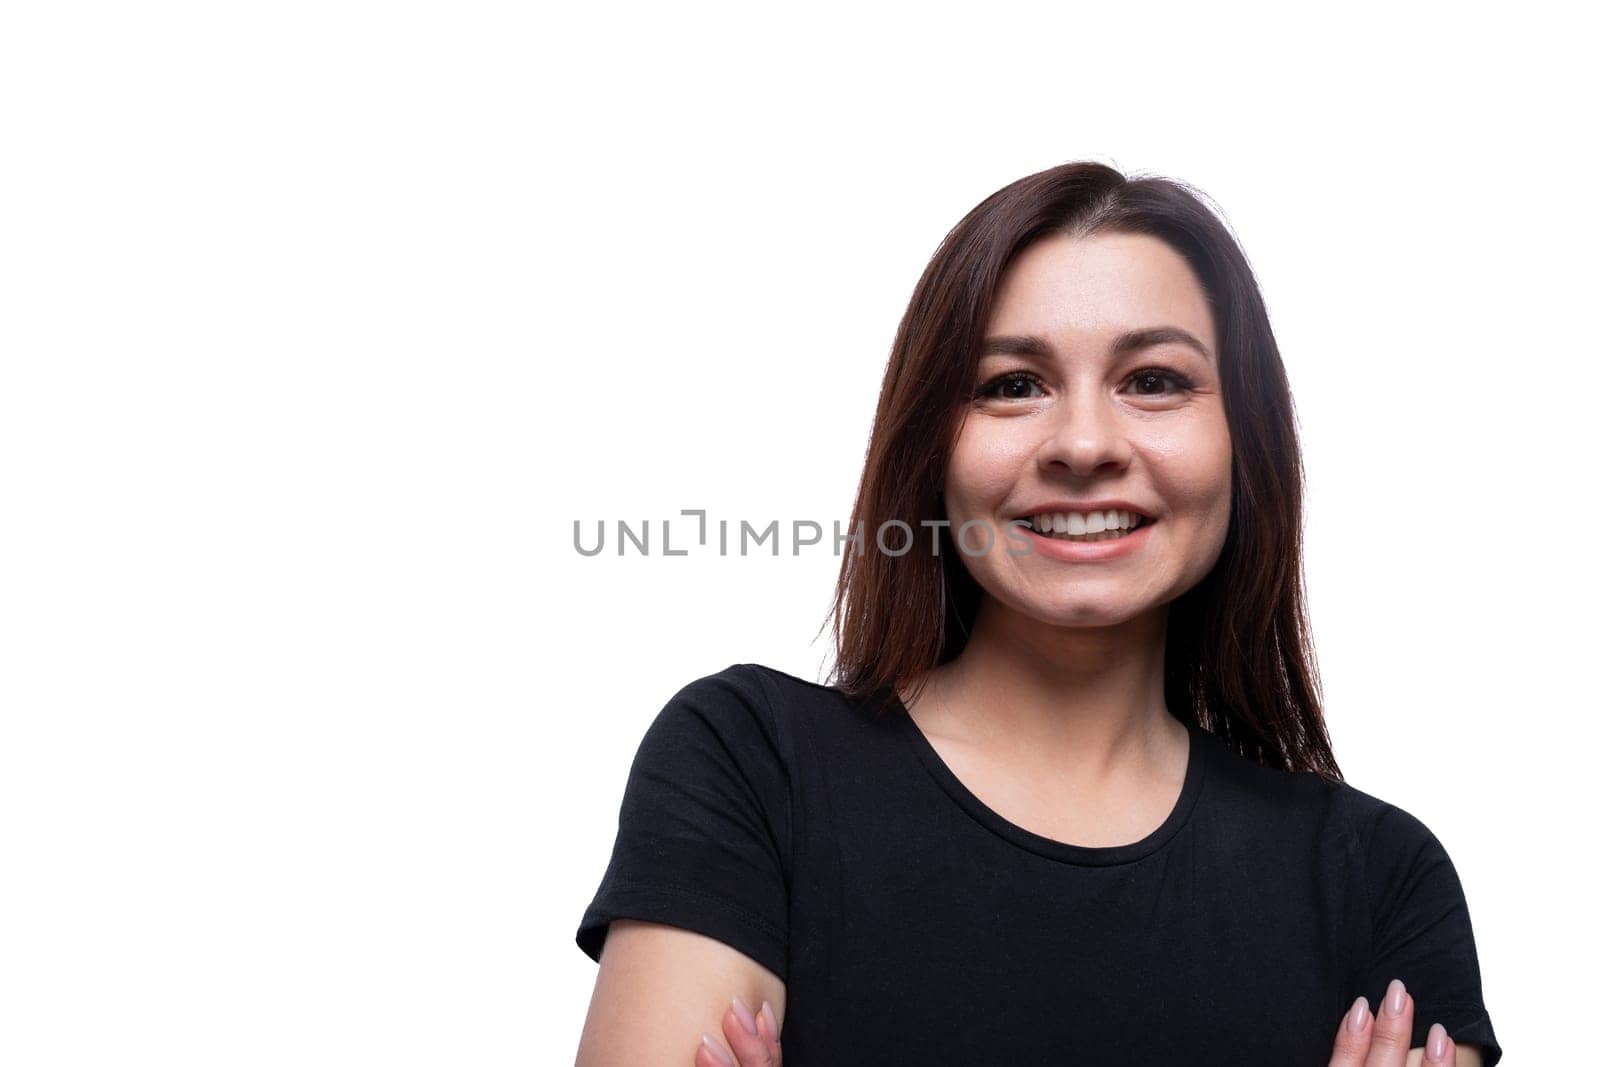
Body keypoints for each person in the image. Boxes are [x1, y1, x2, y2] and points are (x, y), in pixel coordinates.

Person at [572, 162, 1503, 1066]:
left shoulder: (1379, 882)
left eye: (1154, 380)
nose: (1085, 444)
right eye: (1013, 384)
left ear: (1244, 441)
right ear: (930, 442)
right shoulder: (749, 767)